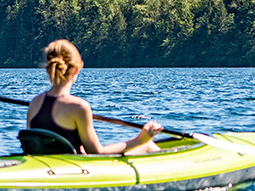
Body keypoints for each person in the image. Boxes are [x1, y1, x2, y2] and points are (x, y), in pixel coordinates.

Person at [26, 39, 163, 155]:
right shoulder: (79, 107)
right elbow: (96, 152)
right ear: (75, 71)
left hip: (49, 164)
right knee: (148, 145)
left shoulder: (35, 103)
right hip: (73, 169)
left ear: (48, 69)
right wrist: (141, 139)